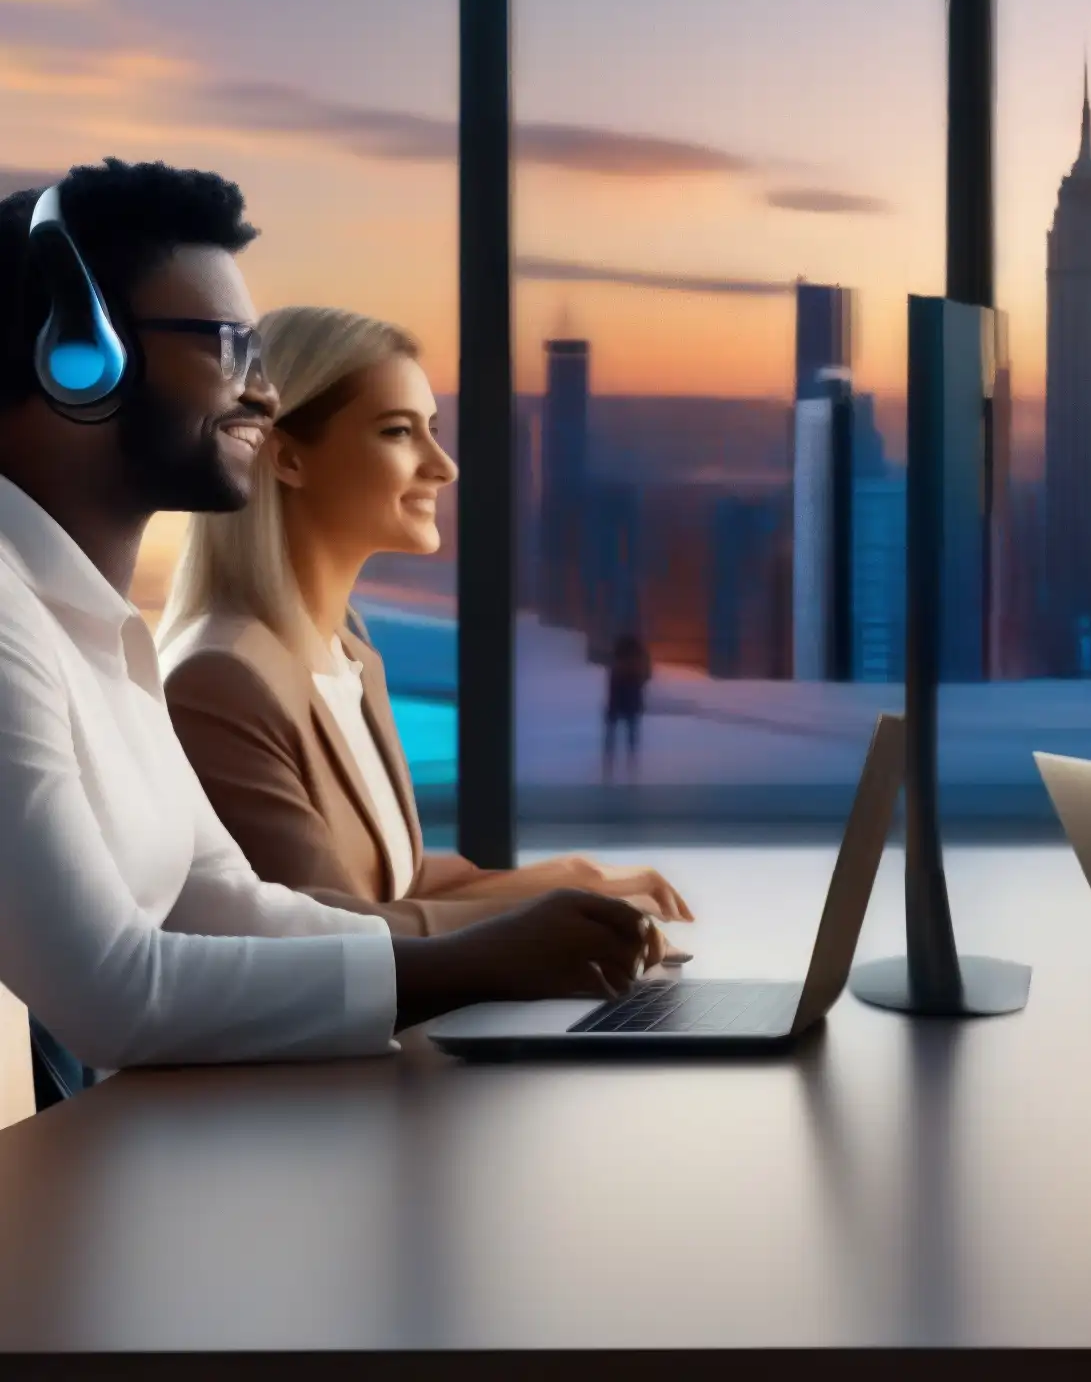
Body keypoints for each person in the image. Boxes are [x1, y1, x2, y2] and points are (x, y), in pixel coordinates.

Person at [0, 160, 659, 1085]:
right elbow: (115, 990)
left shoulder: (97, 629)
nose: (262, 398)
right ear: (78, 355)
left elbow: (225, 900)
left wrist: (522, 946)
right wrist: (479, 959)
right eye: (229, 349)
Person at [156, 305, 690, 938]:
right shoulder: (220, 679)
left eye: (431, 428)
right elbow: (335, 933)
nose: (443, 466)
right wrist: (543, 914)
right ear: (287, 459)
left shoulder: (349, 656)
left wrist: (573, 880)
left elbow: (396, 882)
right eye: (398, 432)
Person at [603, 631, 651, 782]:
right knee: (629, 732)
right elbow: (646, 674)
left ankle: (613, 763)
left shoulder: (620, 654)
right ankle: (628, 763)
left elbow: (613, 677)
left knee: (618, 732)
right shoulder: (636, 654)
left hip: (622, 697)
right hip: (627, 697)